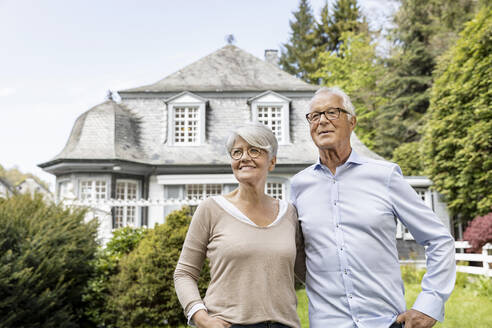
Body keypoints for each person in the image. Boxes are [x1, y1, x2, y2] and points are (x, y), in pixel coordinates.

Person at [290, 87, 456, 328]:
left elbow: (439, 240)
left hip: (386, 322)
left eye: (332, 112)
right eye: (314, 116)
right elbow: (295, 251)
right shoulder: (298, 186)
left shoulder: (385, 176)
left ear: (352, 122)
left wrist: (428, 304)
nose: (322, 121)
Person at [174, 122, 303, 328]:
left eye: (254, 150)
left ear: (272, 162)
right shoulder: (211, 209)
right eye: (237, 152)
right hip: (229, 324)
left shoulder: (289, 213)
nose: (244, 157)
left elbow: (308, 272)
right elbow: (184, 273)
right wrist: (200, 316)